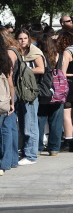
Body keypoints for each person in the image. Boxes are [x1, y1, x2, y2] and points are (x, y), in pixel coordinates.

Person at [15, 29, 44, 165]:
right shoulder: (17, 53)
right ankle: (25, 151)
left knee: (30, 123)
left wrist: (25, 71)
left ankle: (31, 155)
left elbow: (41, 69)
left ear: (29, 39)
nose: (22, 41)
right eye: (20, 38)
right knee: (22, 123)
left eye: (25, 38)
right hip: (19, 91)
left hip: (31, 91)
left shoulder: (34, 52)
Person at [0, 30, 18, 173]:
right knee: (8, 130)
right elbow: (10, 82)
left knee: (5, 131)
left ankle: (5, 162)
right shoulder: (5, 58)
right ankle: (9, 161)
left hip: (4, 98)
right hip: (5, 98)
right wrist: (12, 102)